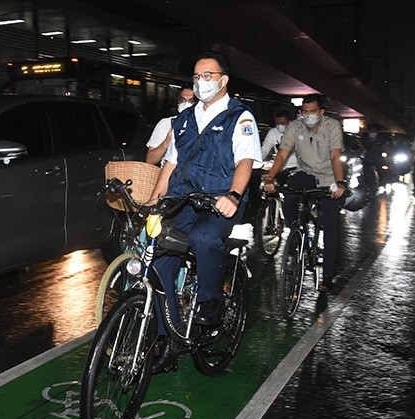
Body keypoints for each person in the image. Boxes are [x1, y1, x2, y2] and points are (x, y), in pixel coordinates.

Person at [148, 50, 261, 372]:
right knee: (158, 261)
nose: (201, 82)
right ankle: (166, 341)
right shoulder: (183, 120)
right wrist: (157, 201)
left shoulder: (240, 117)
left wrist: (234, 195)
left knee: (204, 236)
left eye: (208, 76)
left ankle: (211, 301)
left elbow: (245, 162)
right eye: (196, 77)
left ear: (223, 80)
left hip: (219, 198)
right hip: (184, 198)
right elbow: (170, 164)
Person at [262, 94, 347, 292]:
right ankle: (298, 234)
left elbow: (336, 155)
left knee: (330, 224)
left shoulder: (332, 126)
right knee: (289, 199)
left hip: (330, 177)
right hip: (306, 173)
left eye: (313, 112)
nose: (308, 115)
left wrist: (340, 182)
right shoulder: (295, 127)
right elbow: (282, 153)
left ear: (321, 112)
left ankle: (327, 277)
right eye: (305, 112)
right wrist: (270, 177)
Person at [145, 87, 197, 165]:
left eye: (191, 101)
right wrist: (166, 142)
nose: (186, 104)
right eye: (182, 100)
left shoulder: (204, 125)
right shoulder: (166, 124)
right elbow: (150, 160)